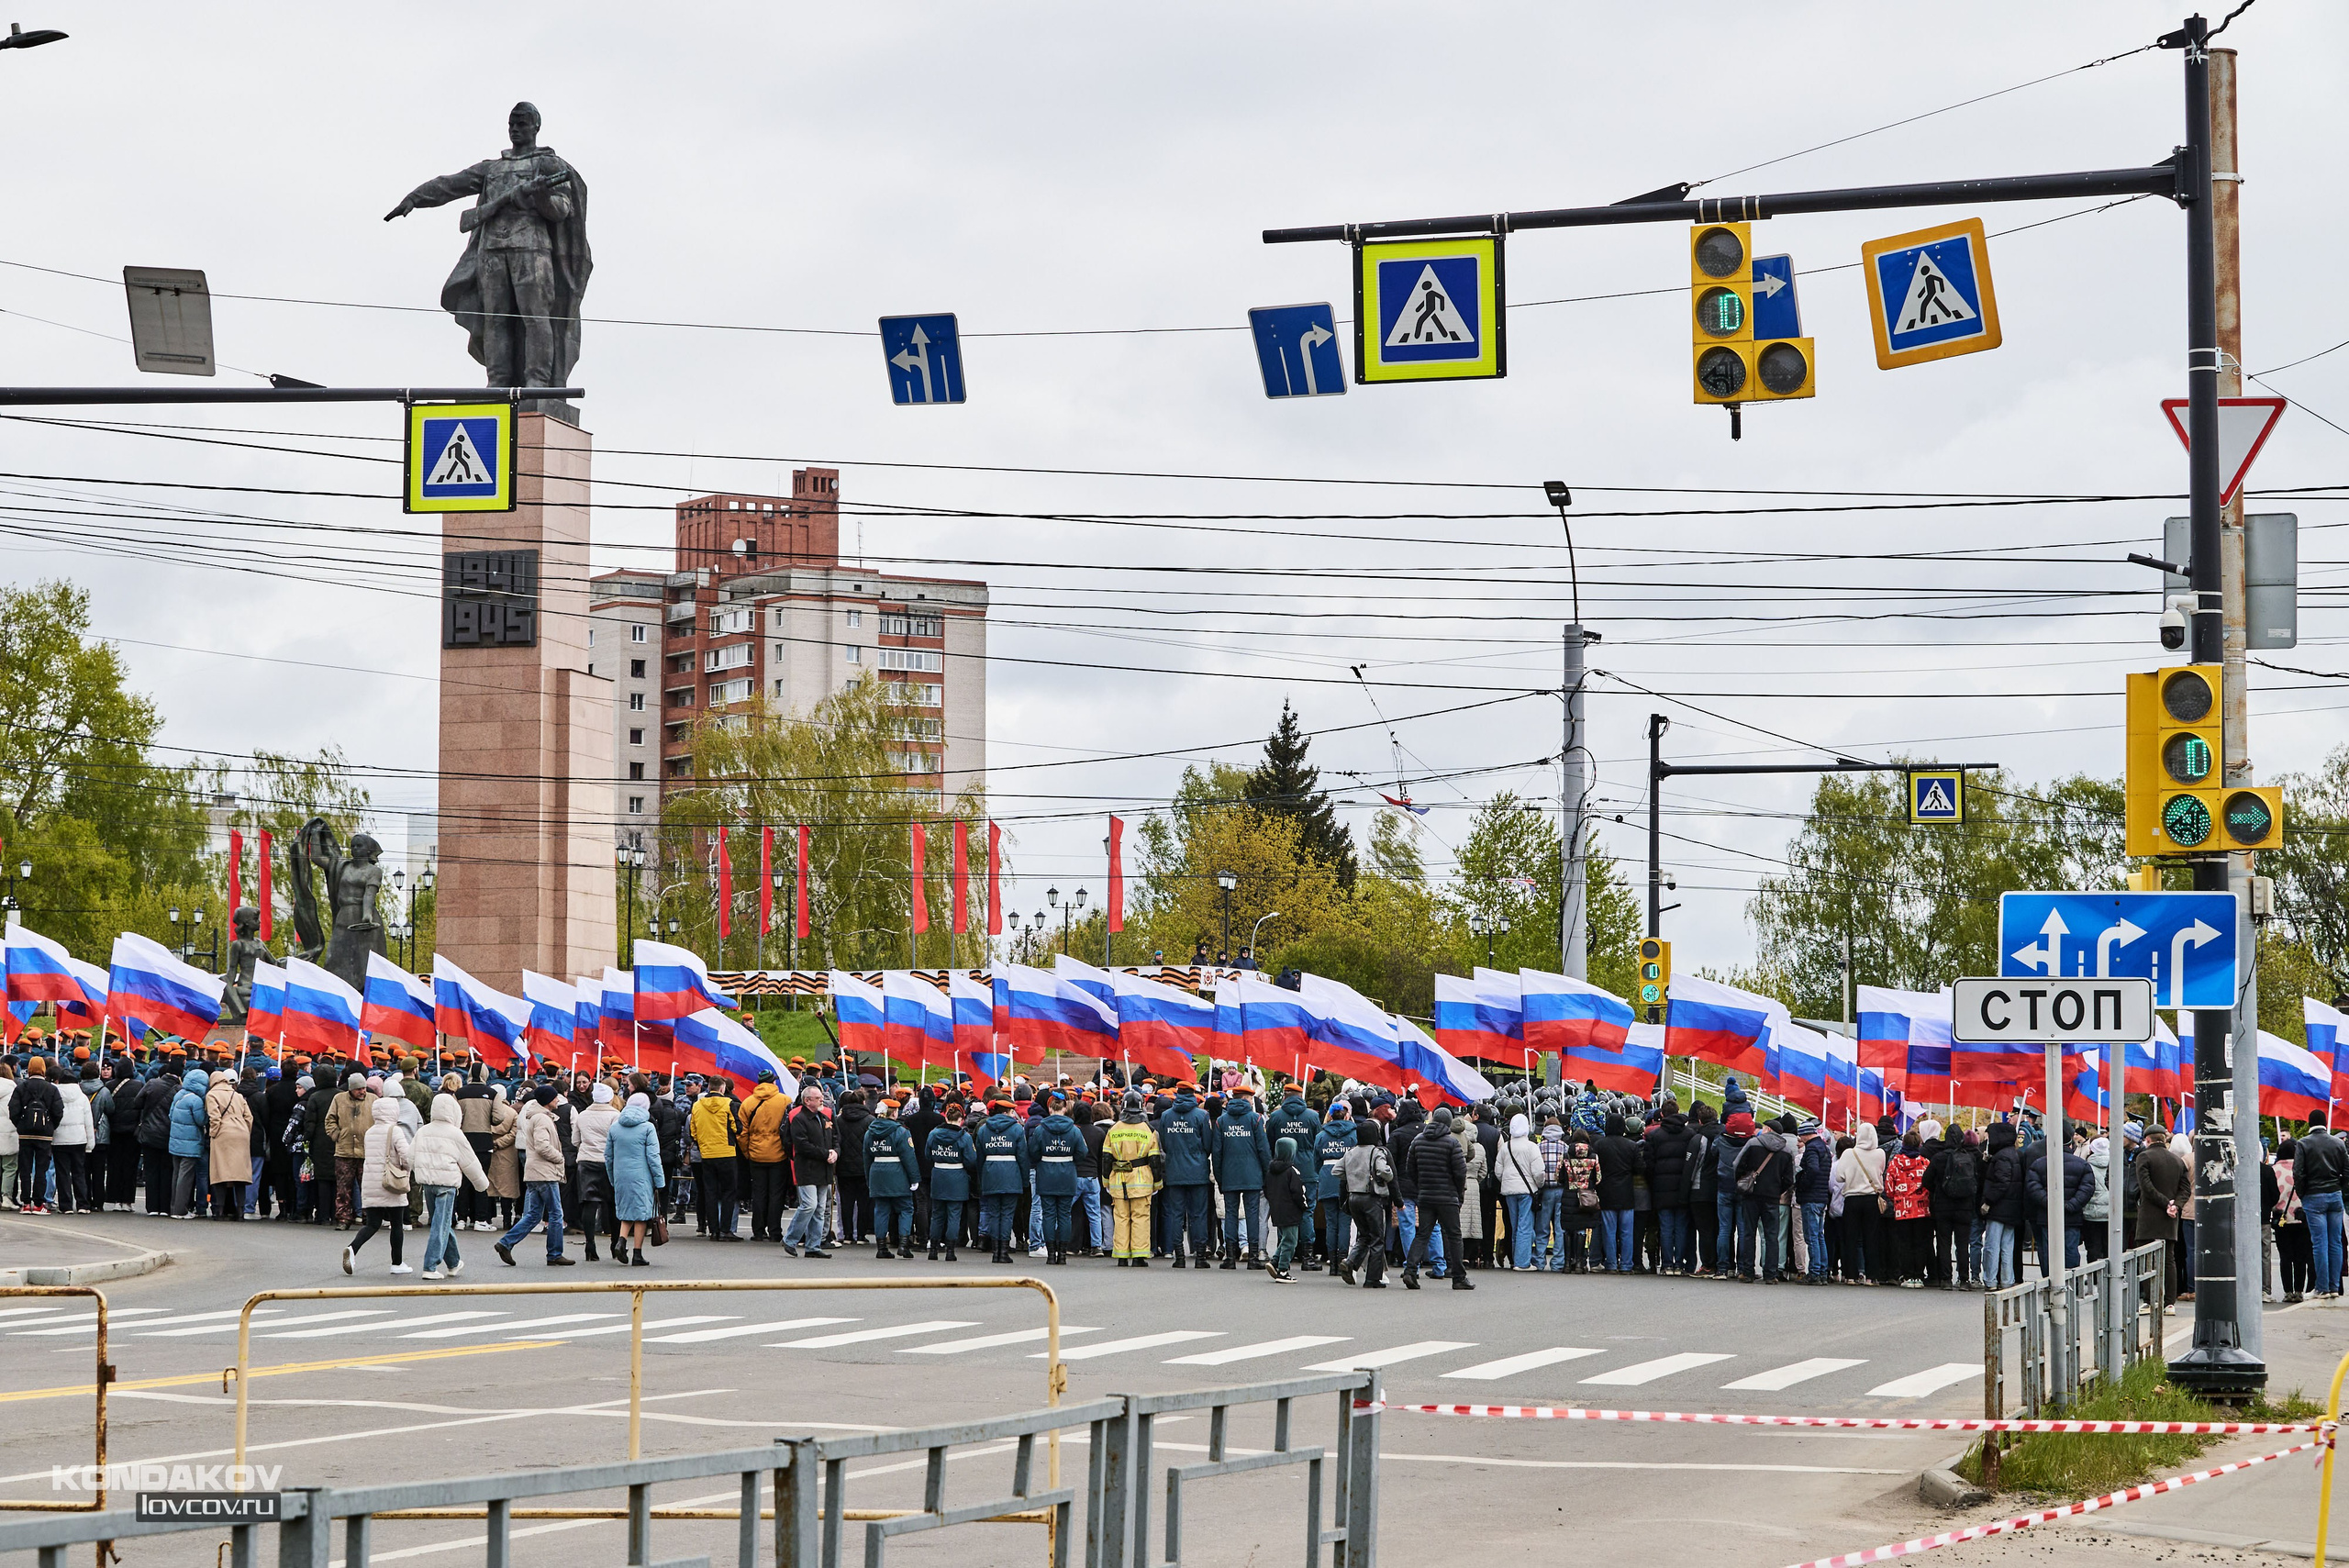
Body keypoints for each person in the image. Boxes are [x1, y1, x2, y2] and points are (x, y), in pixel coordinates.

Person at [495, 1084, 576, 1267]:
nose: (558, 1100)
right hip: (544, 1172)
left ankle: (506, 1243)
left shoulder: (538, 1116)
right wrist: (559, 1157)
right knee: (556, 1213)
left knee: (533, 1215)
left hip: (535, 1172)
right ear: (548, 1101)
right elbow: (542, 1146)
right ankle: (555, 1253)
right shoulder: (542, 1119)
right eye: (555, 1097)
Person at [411, 1093, 491, 1280]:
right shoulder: (456, 1134)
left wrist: (416, 1170)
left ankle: (454, 1263)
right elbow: (470, 1162)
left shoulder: (423, 1131)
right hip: (447, 1183)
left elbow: (410, 1157)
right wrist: (482, 1185)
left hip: (428, 1183)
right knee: (441, 1224)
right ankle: (430, 1266)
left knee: (441, 1223)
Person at [342, 1096, 414, 1274]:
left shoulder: (370, 1131)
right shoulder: (395, 1131)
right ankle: (397, 1263)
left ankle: (352, 1248)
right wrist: (408, 1169)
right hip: (391, 1183)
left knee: (372, 1224)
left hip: (372, 1183)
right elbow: (406, 1156)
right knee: (396, 1224)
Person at [1403, 1106, 1470, 1291]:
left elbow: (1410, 1169)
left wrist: (1421, 1186)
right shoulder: (1452, 1143)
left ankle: (1410, 1270)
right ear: (1448, 1123)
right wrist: (1458, 1194)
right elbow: (1460, 1172)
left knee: (1422, 1234)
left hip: (1425, 1195)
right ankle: (1458, 1277)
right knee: (1454, 1236)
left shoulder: (1418, 1141)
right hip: (1447, 1196)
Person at [1211, 1084, 1271, 1268]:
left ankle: (1230, 1257)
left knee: (1230, 1214)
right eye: (1251, 1098)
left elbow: (1217, 1153)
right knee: (1252, 1214)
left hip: (1229, 1175)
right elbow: (1263, 1150)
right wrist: (1266, 1175)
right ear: (1246, 1099)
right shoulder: (1255, 1119)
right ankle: (1253, 1257)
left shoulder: (1222, 1121)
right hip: (1252, 1175)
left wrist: (1220, 1179)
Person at [1156, 1083, 1214, 1267]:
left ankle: (1179, 1256)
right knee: (1198, 1214)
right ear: (1193, 1094)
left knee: (1175, 1215)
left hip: (1175, 1171)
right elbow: (1207, 1145)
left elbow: (1165, 1144)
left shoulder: (1166, 1116)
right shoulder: (1202, 1115)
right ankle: (1200, 1257)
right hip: (1197, 1172)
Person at [607, 1092, 665, 1267]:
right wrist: (659, 1180)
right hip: (641, 1175)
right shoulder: (647, 1128)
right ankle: (637, 1253)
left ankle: (621, 1240)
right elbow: (653, 1157)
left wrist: (612, 1177)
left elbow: (608, 1156)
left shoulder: (615, 1127)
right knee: (641, 1214)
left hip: (620, 1174)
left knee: (626, 1210)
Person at [1100, 1091, 1159, 1266]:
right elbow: (1155, 1159)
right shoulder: (1148, 1130)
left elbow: (1106, 1158)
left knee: (1121, 1218)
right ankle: (1139, 1257)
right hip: (1141, 1180)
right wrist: (1157, 1182)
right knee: (1140, 1217)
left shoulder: (1114, 1129)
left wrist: (1106, 1181)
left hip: (1118, 1181)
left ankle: (1122, 1256)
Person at [2135, 1125, 2191, 1305]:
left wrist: (2165, 1202)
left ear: (2148, 1140)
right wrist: (2175, 1205)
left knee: (2146, 1260)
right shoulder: (2177, 1160)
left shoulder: (2144, 1157)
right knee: (2169, 1261)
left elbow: (2146, 1186)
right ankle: (2169, 1303)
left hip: (2149, 1217)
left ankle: (2151, 1300)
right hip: (2170, 1218)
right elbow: (2185, 1190)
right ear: (2164, 1139)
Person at [2296, 1114, 2346, 1299]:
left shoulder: (2303, 1144)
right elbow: (2346, 1170)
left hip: (2313, 1195)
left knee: (2319, 1243)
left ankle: (2322, 1287)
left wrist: (2303, 1194)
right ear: (2325, 1123)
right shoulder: (2338, 1143)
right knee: (2336, 1243)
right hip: (2334, 1195)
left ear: (2309, 1123)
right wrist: (2338, 1188)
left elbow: (2298, 1173)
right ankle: (2334, 1287)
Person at [864, 1096, 921, 1260]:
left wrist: (869, 1178)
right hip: (897, 1173)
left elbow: (866, 1156)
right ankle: (904, 1245)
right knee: (906, 1209)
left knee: (881, 1210)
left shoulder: (870, 1131)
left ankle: (881, 1247)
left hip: (877, 1172)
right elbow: (908, 1158)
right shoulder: (901, 1131)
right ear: (894, 1112)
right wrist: (914, 1178)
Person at [1925, 1125, 1982, 1290]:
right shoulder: (1969, 1158)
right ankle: (1964, 1279)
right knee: (1962, 1244)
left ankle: (1946, 1279)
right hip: (1964, 1206)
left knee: (1944, 1243)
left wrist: (1938, 1189)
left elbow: (1926, 1181)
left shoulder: (1939, 1157)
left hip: (1943, 1206)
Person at [1338, 1121, 1393, 1288]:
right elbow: (1384, 1171)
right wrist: (1387, 1177)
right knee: (1377, 1238)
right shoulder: (1376, 1152)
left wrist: (1353, 1178)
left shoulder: (1351, 1152)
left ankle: (1350, 1261)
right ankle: (1372, 1278)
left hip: (1353, 1197)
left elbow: (1337, 1171)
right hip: (1371, 1197)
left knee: (1364, 1235)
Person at [784, 1082, 835, 1258]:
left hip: (824, 1168)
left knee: (820, 1208)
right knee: (809, 1205)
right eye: (818, 1098)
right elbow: (802, 1145)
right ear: (807, 1101)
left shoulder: (824, 1118)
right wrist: (826, 1153)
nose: (822, 1100)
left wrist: (835, 1152)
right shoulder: (799, 1119)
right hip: (807, 1168)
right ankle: (790, 1239)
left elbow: (836, 1138)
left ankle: (813, 1245)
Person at [740, 1069, 791, 1243]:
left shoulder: (747, 1103)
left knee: (759, 1193)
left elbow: (742, 1133)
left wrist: (748, 1152)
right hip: (778, 1155)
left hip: (756, 1154)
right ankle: (775, 1231)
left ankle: (758, 1231)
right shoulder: (785, 1100)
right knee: (776, 1194)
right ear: (773, 1082)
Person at [975, 1099, 1029, 1264]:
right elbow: (1022, 1156)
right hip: (1011, 1174)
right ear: (1008, 1112)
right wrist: (1024, 1180)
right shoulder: (1017, 1129)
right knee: (1006, 1214)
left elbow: (979, 1158)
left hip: (990, 1173)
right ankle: (1003, 1251)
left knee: (993, 1214)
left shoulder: (984, 1129)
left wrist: (982, 1177)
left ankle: (995, 1251)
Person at [1833, 1123, 1887, 1285]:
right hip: (1872, 1199)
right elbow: (1881, 1171)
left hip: (1852, 1198)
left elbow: (1839, 1177)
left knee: (1850, 1237)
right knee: (1871, 1238)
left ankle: (1850, 1275)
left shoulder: (1850, 1153)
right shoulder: (1880, 1153)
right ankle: (1871, 1276)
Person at [689, 1077, 741, 1240]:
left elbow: (693, 1131)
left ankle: (713, 1230)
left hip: (707, 1154)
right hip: (726, 1152)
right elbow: (737, 1127)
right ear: (722, 1088)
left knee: (710, 1192)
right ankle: (726, 1229)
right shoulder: (728, 1104)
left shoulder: (697, 1105)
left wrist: (703, 1143)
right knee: (728, 1192)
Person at [925, 1101, 978, 1261]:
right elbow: (971, 1160)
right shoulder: (964, 1137)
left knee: (937, 1214)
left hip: (939, 1174)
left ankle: (933, 1249)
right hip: (957, 1177)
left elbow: (928, 1155)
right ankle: (950, 1250)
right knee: (954, 1215)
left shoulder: (934, 1134)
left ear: (946, 1118)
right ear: (961, 1119)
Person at [8, 1055, 61, 1215]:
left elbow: (13, 1110)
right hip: (44, 1135)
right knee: (41, 1169)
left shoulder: (21, 1087)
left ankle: (25, 1203)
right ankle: (39, 1204)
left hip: (25, 1134)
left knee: (25, 1169)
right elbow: (58, 1111)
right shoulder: (52, 1088)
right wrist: (50, 1126)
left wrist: (21, 1126)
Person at [573, 1083, 618, 1262]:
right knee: (612, 1204)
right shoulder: (616, 1116)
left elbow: (575, 1140)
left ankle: (589, 1244)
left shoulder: (582, 1115)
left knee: (589, 1203)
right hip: (607, 1162)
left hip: (586, 1161)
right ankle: (615, 1243)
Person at [1886, 1129, 1933, 1286]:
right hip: (1922, 1209)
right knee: (1920, 1243)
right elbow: (1930, 1184)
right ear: (1919, 1144)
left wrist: (1898, 1198)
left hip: (1902, 1210)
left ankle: (1907, 1276)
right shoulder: (1925, 1162)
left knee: (1904, 1243)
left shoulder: (1895, 1164)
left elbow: (1889, 1188)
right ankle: (1918, 1276)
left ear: (1904, 1144)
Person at [324, 1072, 372, 1228]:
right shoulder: (339, 1099)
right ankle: (344, 1218)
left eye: (364, 1088)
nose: (362, 1091)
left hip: (366, 1151)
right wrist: (336, 1135)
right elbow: (330, 1120)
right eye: (358, 1089)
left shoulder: (373, 1100)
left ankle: (368, 1217)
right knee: (344, 1189)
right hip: (344, 1151)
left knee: (367, 1187)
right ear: (351, 1089)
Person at [1593, 1113, 1640, 1273]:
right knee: (1627, 1232)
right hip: (1626, 1192)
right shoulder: (1631, 1145)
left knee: (1609, 1231)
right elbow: (1639, 1168)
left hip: (1606, 1192)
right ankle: (1626, 1264)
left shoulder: (1600, 1145)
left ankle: (1611, 1263)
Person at [204, 1068, 252, 1219]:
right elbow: (249, 1117)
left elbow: (214, 1117)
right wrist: (245, 1131)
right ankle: (240, 1212)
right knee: (240, 1176)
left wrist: (213, 1134)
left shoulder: (212, 1095)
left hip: (223, 1134)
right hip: (241, 1133)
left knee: (220, 1174)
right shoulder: (237, 1095)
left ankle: (219, 1210)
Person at [168, 1068, 211, 1218]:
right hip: (190, 1144)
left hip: (175, 1142)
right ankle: (181, 1210)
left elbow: (170, 1114)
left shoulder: (179, 1094)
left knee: (176, 1175)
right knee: (185, 1178)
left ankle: (173, 1207)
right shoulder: (196, 1100)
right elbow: (201, 1121)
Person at [2275, 1138, 2310, 1303]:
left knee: (2285, 1257)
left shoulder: (2274, 1170)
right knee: (2300, 1258)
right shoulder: (2303, 1169)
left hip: (2281, 1219)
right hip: (2302, 1218)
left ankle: (2287, 1291)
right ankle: (2299, 1291)